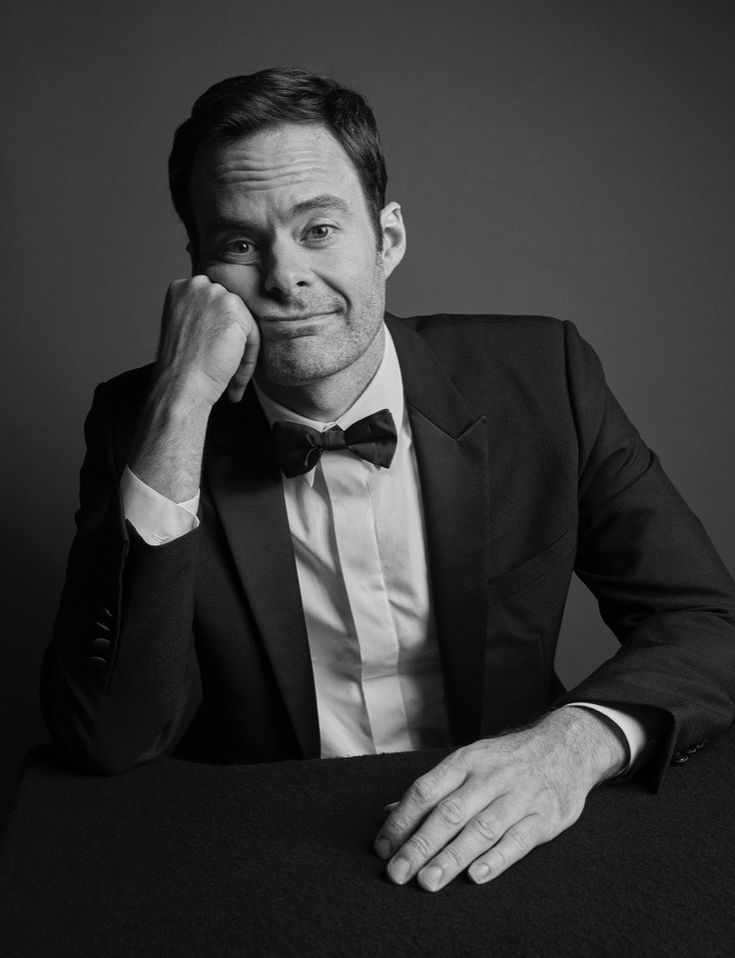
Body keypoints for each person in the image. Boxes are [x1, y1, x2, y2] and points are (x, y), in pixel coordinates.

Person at [42, 67, 735, 893]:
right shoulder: (143, 421)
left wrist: (571, 745)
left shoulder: (541, 377)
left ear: (389, 238)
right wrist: (180, 407)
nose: (284, 275)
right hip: (266, 857)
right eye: (237, 244)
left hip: (512, 835)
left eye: (320, 229)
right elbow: (109, 735)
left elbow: (705, 621)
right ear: (197, 276)